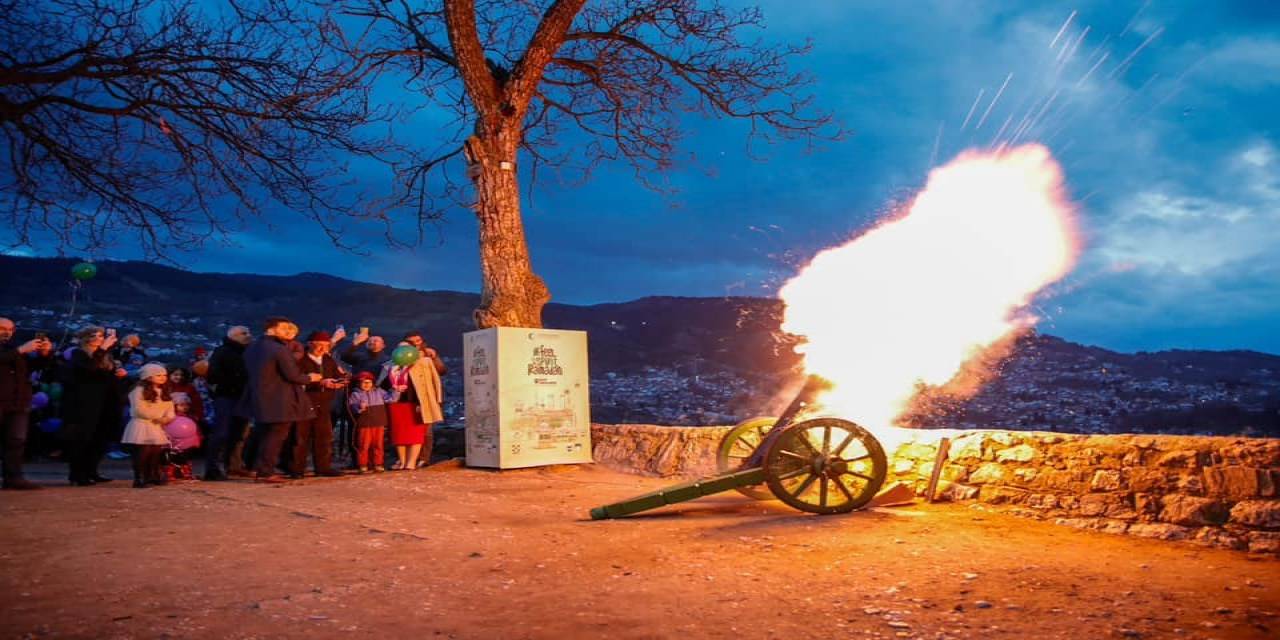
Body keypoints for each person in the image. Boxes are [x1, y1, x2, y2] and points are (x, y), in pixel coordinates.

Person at [238, 317, 321, 483]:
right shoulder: (278, 349)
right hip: (280, 399)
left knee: (263, 434)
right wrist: (310, 378)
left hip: (259, 397)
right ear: (272, 329)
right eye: (283, 328)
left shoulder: (252, 347)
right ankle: (266, 472)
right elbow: (292, 375)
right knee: (276, 436)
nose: (286, 331)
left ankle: (255, 468)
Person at [61, 326, 127, 486]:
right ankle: (77, 474)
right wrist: (103, 349)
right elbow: (89, 369)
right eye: (94, 335)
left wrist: (118, 374)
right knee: (83, 438)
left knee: (100, 438)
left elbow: (104, 375)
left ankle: (92, 471)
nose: (99, 338)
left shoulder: (106, 356)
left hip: (105, 401)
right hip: (85, 403)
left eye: (101, 335)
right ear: (86, 338)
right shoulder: (78, 354)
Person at [378, 336, 446, 470]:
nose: (402, 350)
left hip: (416, 403)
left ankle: (411, 462)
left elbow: (435, 381)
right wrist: (393, 385)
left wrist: (435, 401)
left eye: (405, 347)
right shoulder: (390, 365)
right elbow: (381, 385)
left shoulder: (424, 362)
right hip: (396, 403)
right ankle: (402, 461)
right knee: (399, 434)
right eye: (399, 347)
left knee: (416, 434)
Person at [0, 317, 52, 489]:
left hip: (18, 401)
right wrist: (21, 350)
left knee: (17, 439)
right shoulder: (15, 350)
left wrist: (44, 354)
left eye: (10, 329)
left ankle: (13, 477)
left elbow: (34, 367)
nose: (7, 332)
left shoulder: (14, 349)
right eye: (2, 328)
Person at [292, 330, 346, 478]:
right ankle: (297, 469)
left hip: (324, 403)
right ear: (310, 345)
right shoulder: (300, 361)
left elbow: (339, 376)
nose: (322, 348)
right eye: (319, 345)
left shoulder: (328, 360)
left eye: (325, 345)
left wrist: (339, 382)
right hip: (304, 403)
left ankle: (323, 467)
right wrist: (319, 383)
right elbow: (296, 381)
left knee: (324, 437)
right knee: (300, 437)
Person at [205, 326, 251, 480]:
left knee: (240, 433)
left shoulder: (248, 352)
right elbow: (213, 375)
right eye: (243, 333)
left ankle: (233, 465)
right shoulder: (222, 352)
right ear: (233, 336)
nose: (248, 336)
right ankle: (213, 468)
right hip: (227, 396)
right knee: (222, 432)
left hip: (242, 396)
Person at [122, 363, 174, 488]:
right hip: (142, 424)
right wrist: (156, 416)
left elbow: (170, 409)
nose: (162, 377)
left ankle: (151, 475)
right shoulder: (138, 391)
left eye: (164, 375)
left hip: (156, 426)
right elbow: (139, 409)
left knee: (155, 452)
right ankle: (139, 478)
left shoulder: (164, 391)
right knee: (143, 452)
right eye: (158, 375)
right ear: (148, 377)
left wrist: (167, 418)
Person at [348, 372, 396, 473]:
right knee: (364, 445)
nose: (366, 384)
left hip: (378, 422)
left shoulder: (379, 392)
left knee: (378, 444)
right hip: (364, 424)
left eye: (368, 382)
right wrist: (359, 408)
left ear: (372, 383)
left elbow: (391, 399)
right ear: (358, 383)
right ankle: (363, 464)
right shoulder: (355, 394)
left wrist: (396, 391)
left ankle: (378, 464)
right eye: (363, 382)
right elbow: (352, 407)